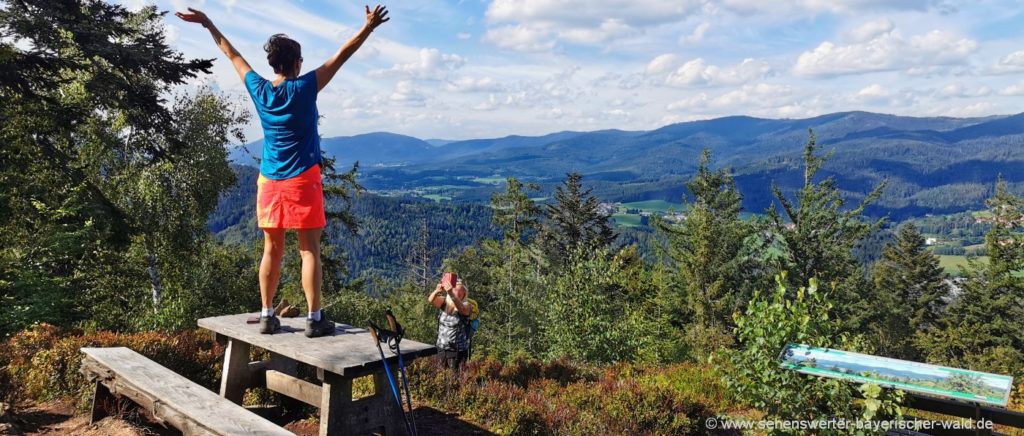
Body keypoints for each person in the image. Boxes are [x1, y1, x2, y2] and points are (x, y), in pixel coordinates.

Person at [177, 5, 389, 337]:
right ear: (296, 63)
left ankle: (266, 315)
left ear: (274, 64)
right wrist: (368, 28)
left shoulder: (260, 90)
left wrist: (208, 23)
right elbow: (343, 54)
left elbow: (232, 55)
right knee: (309, 250)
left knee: (271, 250)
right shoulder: (304, 88)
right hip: (302, 178)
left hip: (269, 181)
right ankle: (314, 318)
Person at [427, 273, 472, 368]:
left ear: (465, 293)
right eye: (456, 289)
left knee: (455, 379)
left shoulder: (467, 305)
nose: (458, 292)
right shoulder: (445, 303)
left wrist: (451, 293)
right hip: (441, 349)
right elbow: (431, 299)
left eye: (461, 291)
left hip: (457, 352)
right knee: (439, 376)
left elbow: (463, 310)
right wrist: (437, 290)